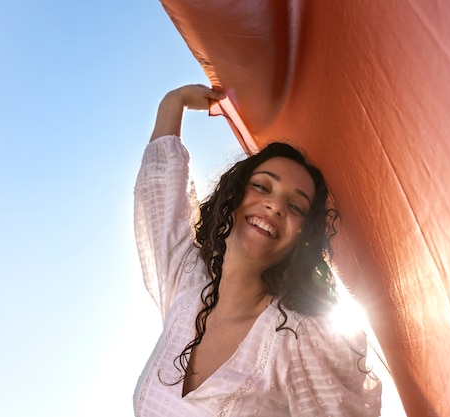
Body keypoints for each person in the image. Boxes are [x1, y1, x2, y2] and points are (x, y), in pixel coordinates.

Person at [133, 84, 382, 416]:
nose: (275, 205)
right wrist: (172, 104)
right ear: (233, 198)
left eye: (295, 207)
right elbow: (158, 202)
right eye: (262, 186)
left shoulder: (300, 337)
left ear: (301, 239)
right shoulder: (187, 285)